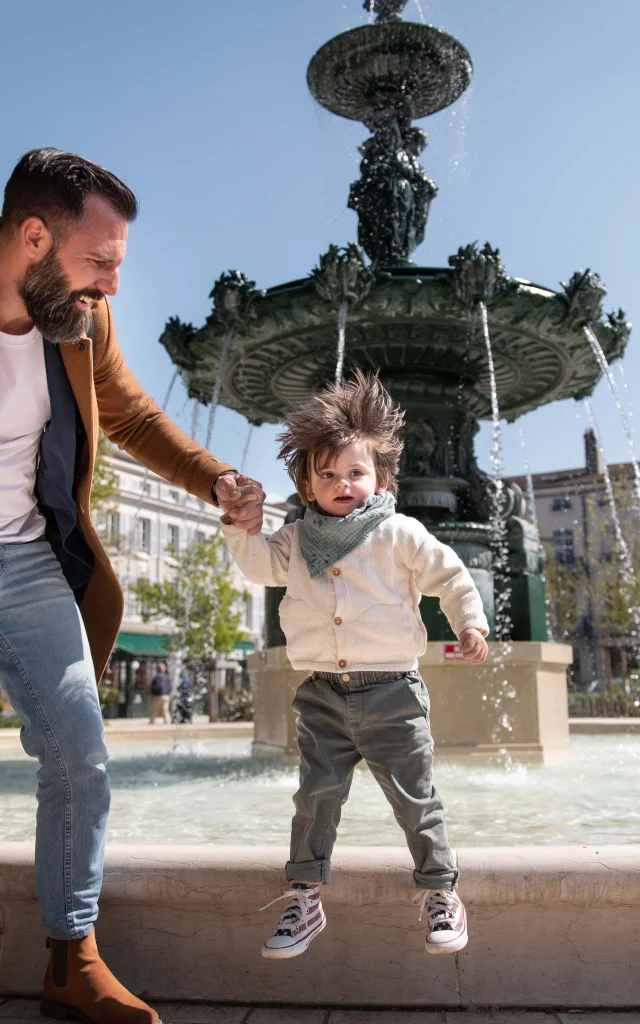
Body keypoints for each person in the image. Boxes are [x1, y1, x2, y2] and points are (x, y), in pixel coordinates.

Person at [0, 149, 264, 1024]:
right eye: (99, 262)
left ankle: (71, 959)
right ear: (34, 237)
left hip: (28, 558)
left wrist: (218, 478)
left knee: (80, 751)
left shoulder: (79, 325)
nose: (109, 288)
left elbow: (136, 415)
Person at [221, 370, 489, 961]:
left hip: (393, 690)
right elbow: (259, 566)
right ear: (308, 483)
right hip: (322, 693)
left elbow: (450, 575)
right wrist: (242, 531)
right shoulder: (294, 539)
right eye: (328, 474)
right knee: (315, 797)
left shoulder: (398, 532)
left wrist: (470, 621)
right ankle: (305, 895)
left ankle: (442, 892)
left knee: (416, 800)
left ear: (381, 478)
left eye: (355, 472)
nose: (342, 483)